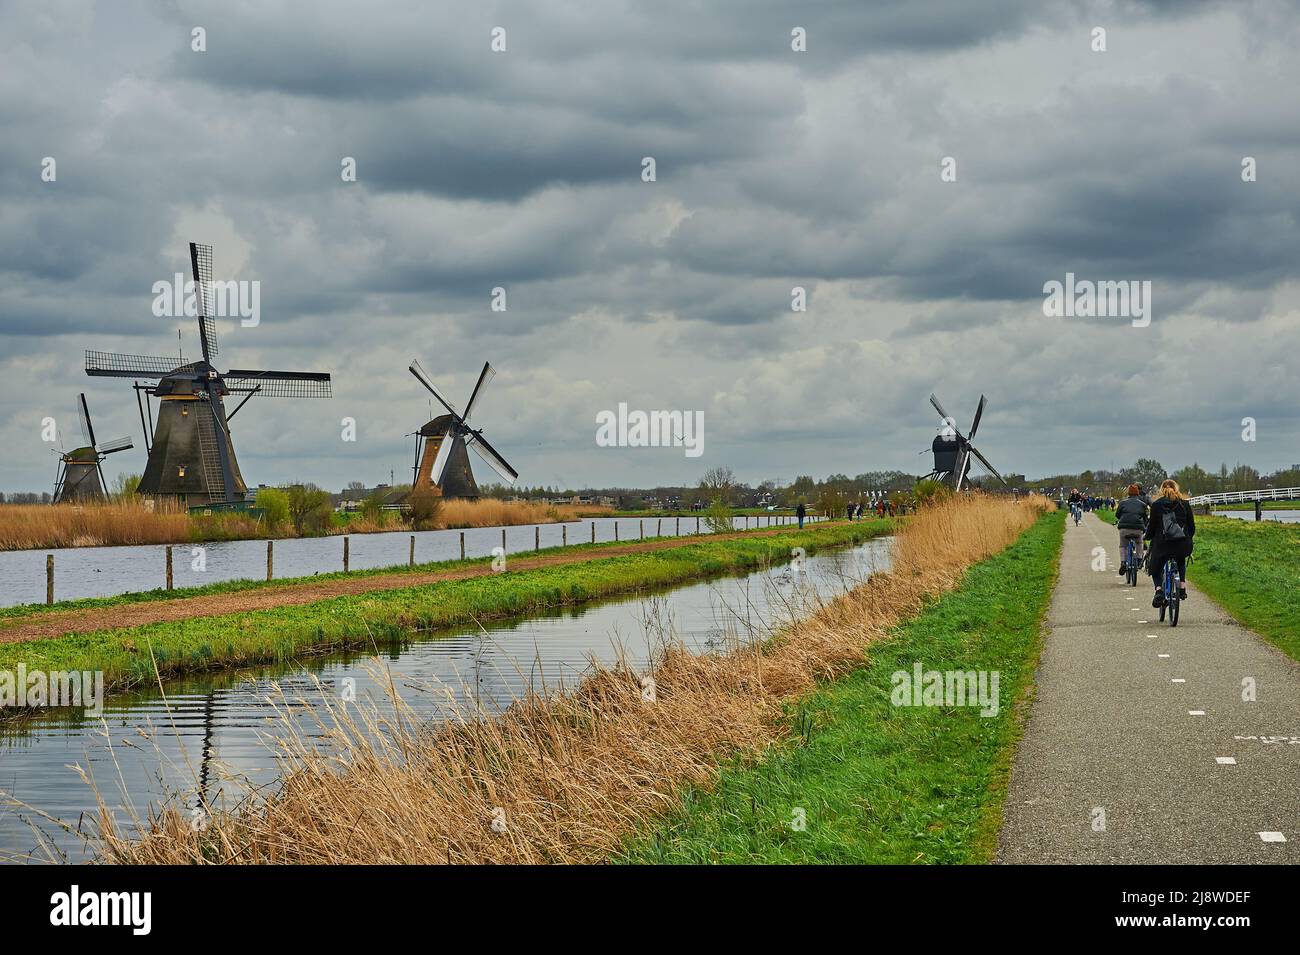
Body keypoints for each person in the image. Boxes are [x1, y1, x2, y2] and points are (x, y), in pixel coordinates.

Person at [1145, 478, 1195, 607]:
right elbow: (1191, 526)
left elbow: (1152, 527)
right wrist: (1188, 538)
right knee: (1180, 560)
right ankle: (1182, 586)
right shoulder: (1185, 504)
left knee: (1155, 567)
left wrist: (1148, 536)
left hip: (1163, 545)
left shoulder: (1156, 505)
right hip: (1182, 544)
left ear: (1161, 490)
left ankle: (1159, 590)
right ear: (1176, 489)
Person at [1114, 484, 1148, 576]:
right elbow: (1145, 518)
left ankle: (1123, 562)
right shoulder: (1143, 504)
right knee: (1139, 543)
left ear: (1128, 493)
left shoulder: (1122, 503)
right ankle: (1139, 559)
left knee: (1123, 546)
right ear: (1137, 493)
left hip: (1124, 529)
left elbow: (1117, 515)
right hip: (1138, 529)